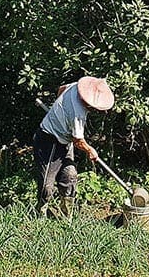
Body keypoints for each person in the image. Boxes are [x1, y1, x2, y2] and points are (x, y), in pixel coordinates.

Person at [33, 75, 114, 217]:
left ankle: (66, 215)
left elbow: (61, 89)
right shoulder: (78, 112)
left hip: (65, 139)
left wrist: (60, 112)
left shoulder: (76, 86)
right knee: (47, 185)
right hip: (49, 140)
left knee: (70, 176)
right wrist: (90, 150)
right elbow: (78, 141)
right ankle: (40, 214)